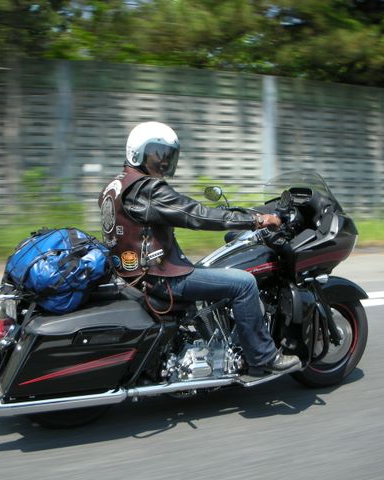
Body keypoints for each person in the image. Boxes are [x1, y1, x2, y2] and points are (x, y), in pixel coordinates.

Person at [98, 121, 300, 375]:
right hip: (160, 278)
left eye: (167, 155)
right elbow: (195, 214)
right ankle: (263, 356)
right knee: (244, 284)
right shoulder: (147, 189)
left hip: (131, 275)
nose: (163, 161)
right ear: (138, 153)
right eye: (157, 154)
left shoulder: (116, 186)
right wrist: (256, 220)